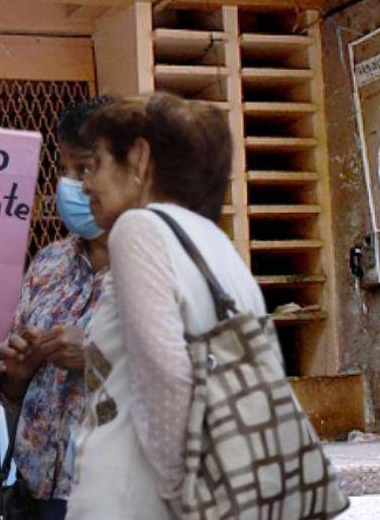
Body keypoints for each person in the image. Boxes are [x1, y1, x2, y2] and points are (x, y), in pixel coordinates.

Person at [66, 93, 269, 519]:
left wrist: (179, 487)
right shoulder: (217, 247)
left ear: (139, 160)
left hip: (133, 498)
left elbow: (165, 373)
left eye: (96, 164)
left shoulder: (138, 230)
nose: (85, 184)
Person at [0, 97, 112, 520]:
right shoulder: (49, 263)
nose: (73, 185)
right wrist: (16, 377)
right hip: (36, 493)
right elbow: (12, 393)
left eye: (86, 169)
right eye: (67, 170)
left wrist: (98, 355)